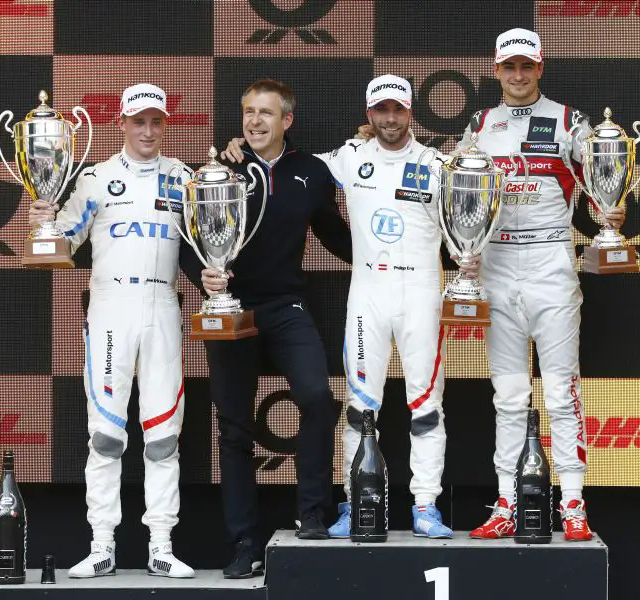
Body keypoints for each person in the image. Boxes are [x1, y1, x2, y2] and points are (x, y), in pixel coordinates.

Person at [224, 75, 457, 540]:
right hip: (368, 295)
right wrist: (241, 147)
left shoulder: (438, 164)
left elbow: (466, 219)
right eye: (380, 110)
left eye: (397, 110)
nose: (389, 119)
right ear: (369, 114)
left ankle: (426, 505)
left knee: (427, 405)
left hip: (421, 295)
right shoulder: (348, 157)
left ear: (411, 112)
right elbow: (288, 167)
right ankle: (355, 502)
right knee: (358, 407)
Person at [456, 29, 625, 542]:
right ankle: (507, 501)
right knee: (508, 397)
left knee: (560, 391)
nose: (518, 75)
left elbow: (604, 172)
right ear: (496, 68)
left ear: (541, 67)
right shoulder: (480, 125)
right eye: (509, 66)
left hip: (552, 263)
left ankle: (573, 504)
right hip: (498, 265)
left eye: (527, 65)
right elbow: (455, 191)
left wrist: (608, 209)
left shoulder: (571, 121)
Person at [182, 78, 352, 579]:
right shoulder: (223, 166)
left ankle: (313, 513)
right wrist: (204, 279)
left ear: (287, 121)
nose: (254, 121)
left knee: (318, 398)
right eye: (248, 112)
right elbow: (191, 237)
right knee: (233, 429)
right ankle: (243, 543)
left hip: (286, 307)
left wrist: (392, 262)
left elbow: (335, 236)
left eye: (266, 113)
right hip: (232, 309)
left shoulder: (312, 172)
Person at [29, 83, 195, 577]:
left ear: (165, 124)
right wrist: (44, 220)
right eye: (138, 121)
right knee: (104, 434)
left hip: (163, 305)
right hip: (110, 307)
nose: (147, 130)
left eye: (156, 121)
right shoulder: (95, 178)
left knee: (164, 436)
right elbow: (63, 241)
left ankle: (161, 546)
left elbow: (211, 241)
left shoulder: (184, 179)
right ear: (121, 123)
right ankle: (102, 545)